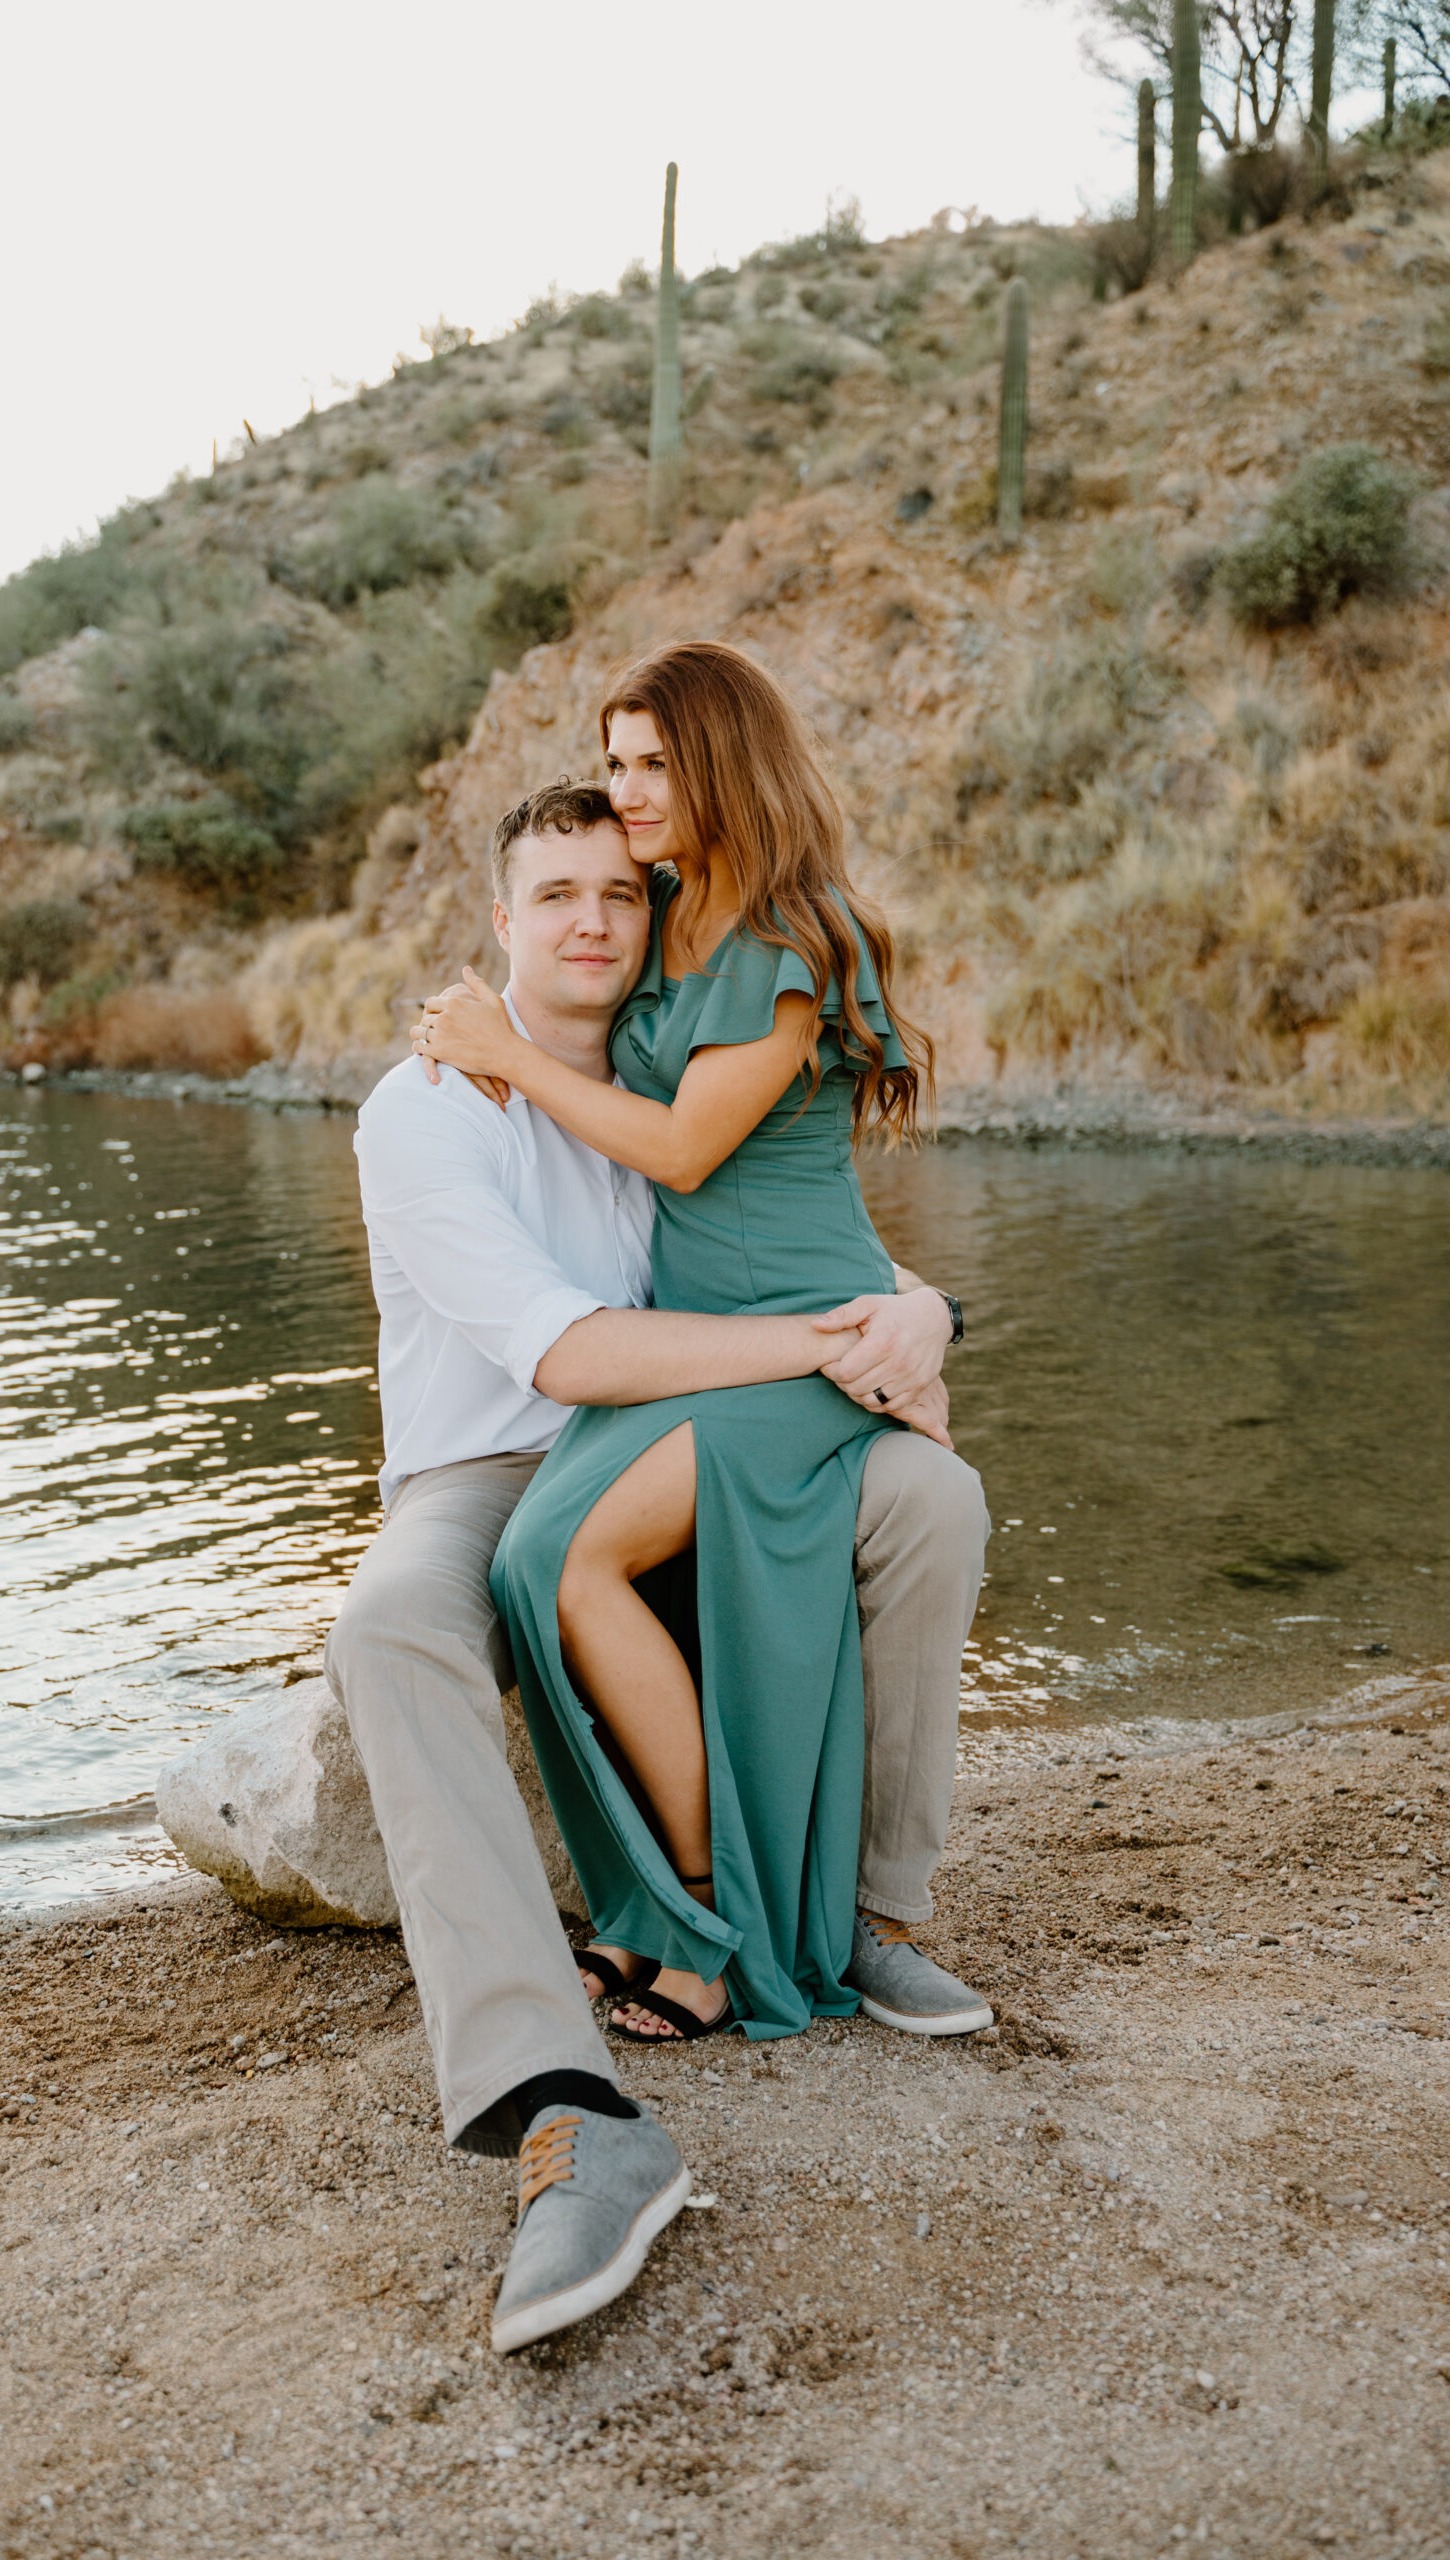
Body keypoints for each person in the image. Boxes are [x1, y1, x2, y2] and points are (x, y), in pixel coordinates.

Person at [327, 770, 989, 2357]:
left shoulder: (661, 1072)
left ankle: (861, 1923)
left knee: (931, 1503)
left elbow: (790, 1221)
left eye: (619, 894)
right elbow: (565, 1356)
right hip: (489, 1464)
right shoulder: (426, 1109)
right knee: (389, 1625)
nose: (591, 921)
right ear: (500, 922)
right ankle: (559, 2098)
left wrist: (923, 1312)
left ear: (655, 916)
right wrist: (811, 1351)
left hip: (683, 1441)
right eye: (555, 894)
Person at [414, 641, 954, 2060]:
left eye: (657, 763)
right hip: (717, 1332)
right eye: (619, 763)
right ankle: (647, 1898)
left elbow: (683, 1143)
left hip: (795, 1336)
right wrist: (490, 1033)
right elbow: (563, 927)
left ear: (722, 761)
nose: (631, 792)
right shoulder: (672, 904)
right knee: (533, 1560)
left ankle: (708, 1923)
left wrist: (508, 1055)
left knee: (581, 1559)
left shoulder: (788, 938)